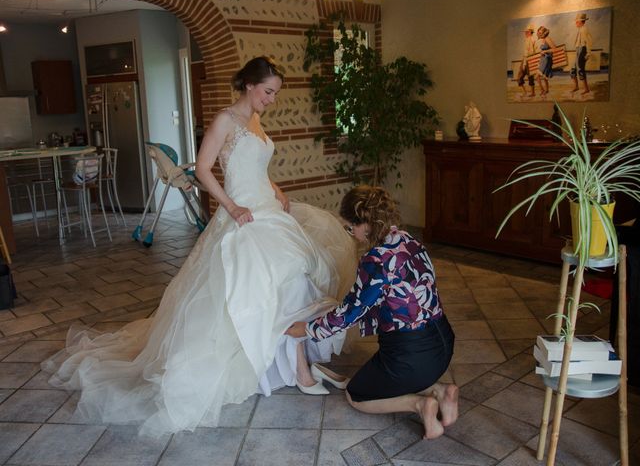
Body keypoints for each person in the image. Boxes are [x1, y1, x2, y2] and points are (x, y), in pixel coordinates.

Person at [41, 56, 357, 437]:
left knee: (297, 276)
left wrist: (278, 189)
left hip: (269, 208)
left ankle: (294, 362)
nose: (272, 100)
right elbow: (204, 168)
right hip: (242, 214)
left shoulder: (255, 120)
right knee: (271, 280)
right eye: (268, 92)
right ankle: (298, 368)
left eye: (274, 93)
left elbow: (257, 168)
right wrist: (232, 206)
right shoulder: (225, 119)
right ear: (249, 85)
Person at [286, 185, 458, 440]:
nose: (352, 234)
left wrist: (308, 329)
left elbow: (349, 313)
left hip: (411, 355)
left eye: (351, 227)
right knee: (388, 374)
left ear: (365, 222)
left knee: (357, 394)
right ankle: (442, 391)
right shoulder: (409, 241)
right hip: (443, 344)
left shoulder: (376, 260)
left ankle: (421, 404)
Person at [570, 12, 593, 95]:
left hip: (582, 50)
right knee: (573, 69)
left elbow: (589, 42)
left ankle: (586, 88)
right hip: (578, 49)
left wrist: (588, 53)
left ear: (581, 22)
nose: (576, 23)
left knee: (580, 69)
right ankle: (576, 87)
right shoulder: (580, 29)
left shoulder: (584, 30)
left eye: (577, 21)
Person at [517, 23, 537, 98]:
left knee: (529, 76)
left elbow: (530, 52)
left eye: (526, 32)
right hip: (526, 59)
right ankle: (526, 92)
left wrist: (525, 62)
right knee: (520, 76)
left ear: (529, 32)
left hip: (528, 59)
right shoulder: (528, 39)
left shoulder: (531, 39)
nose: (525, 33)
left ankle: (532, 92)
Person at [536, 26, 557, 98]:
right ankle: (546, 90)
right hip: (543, 59)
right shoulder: (543, 39)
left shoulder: (547, 39)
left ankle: (543, 90)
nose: (538, 34)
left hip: (547, 60)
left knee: (538, 76)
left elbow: (554, 49)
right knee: (544, 76)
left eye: (540, 32)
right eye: (538, 32)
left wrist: (545, 51)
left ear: (544, 33)